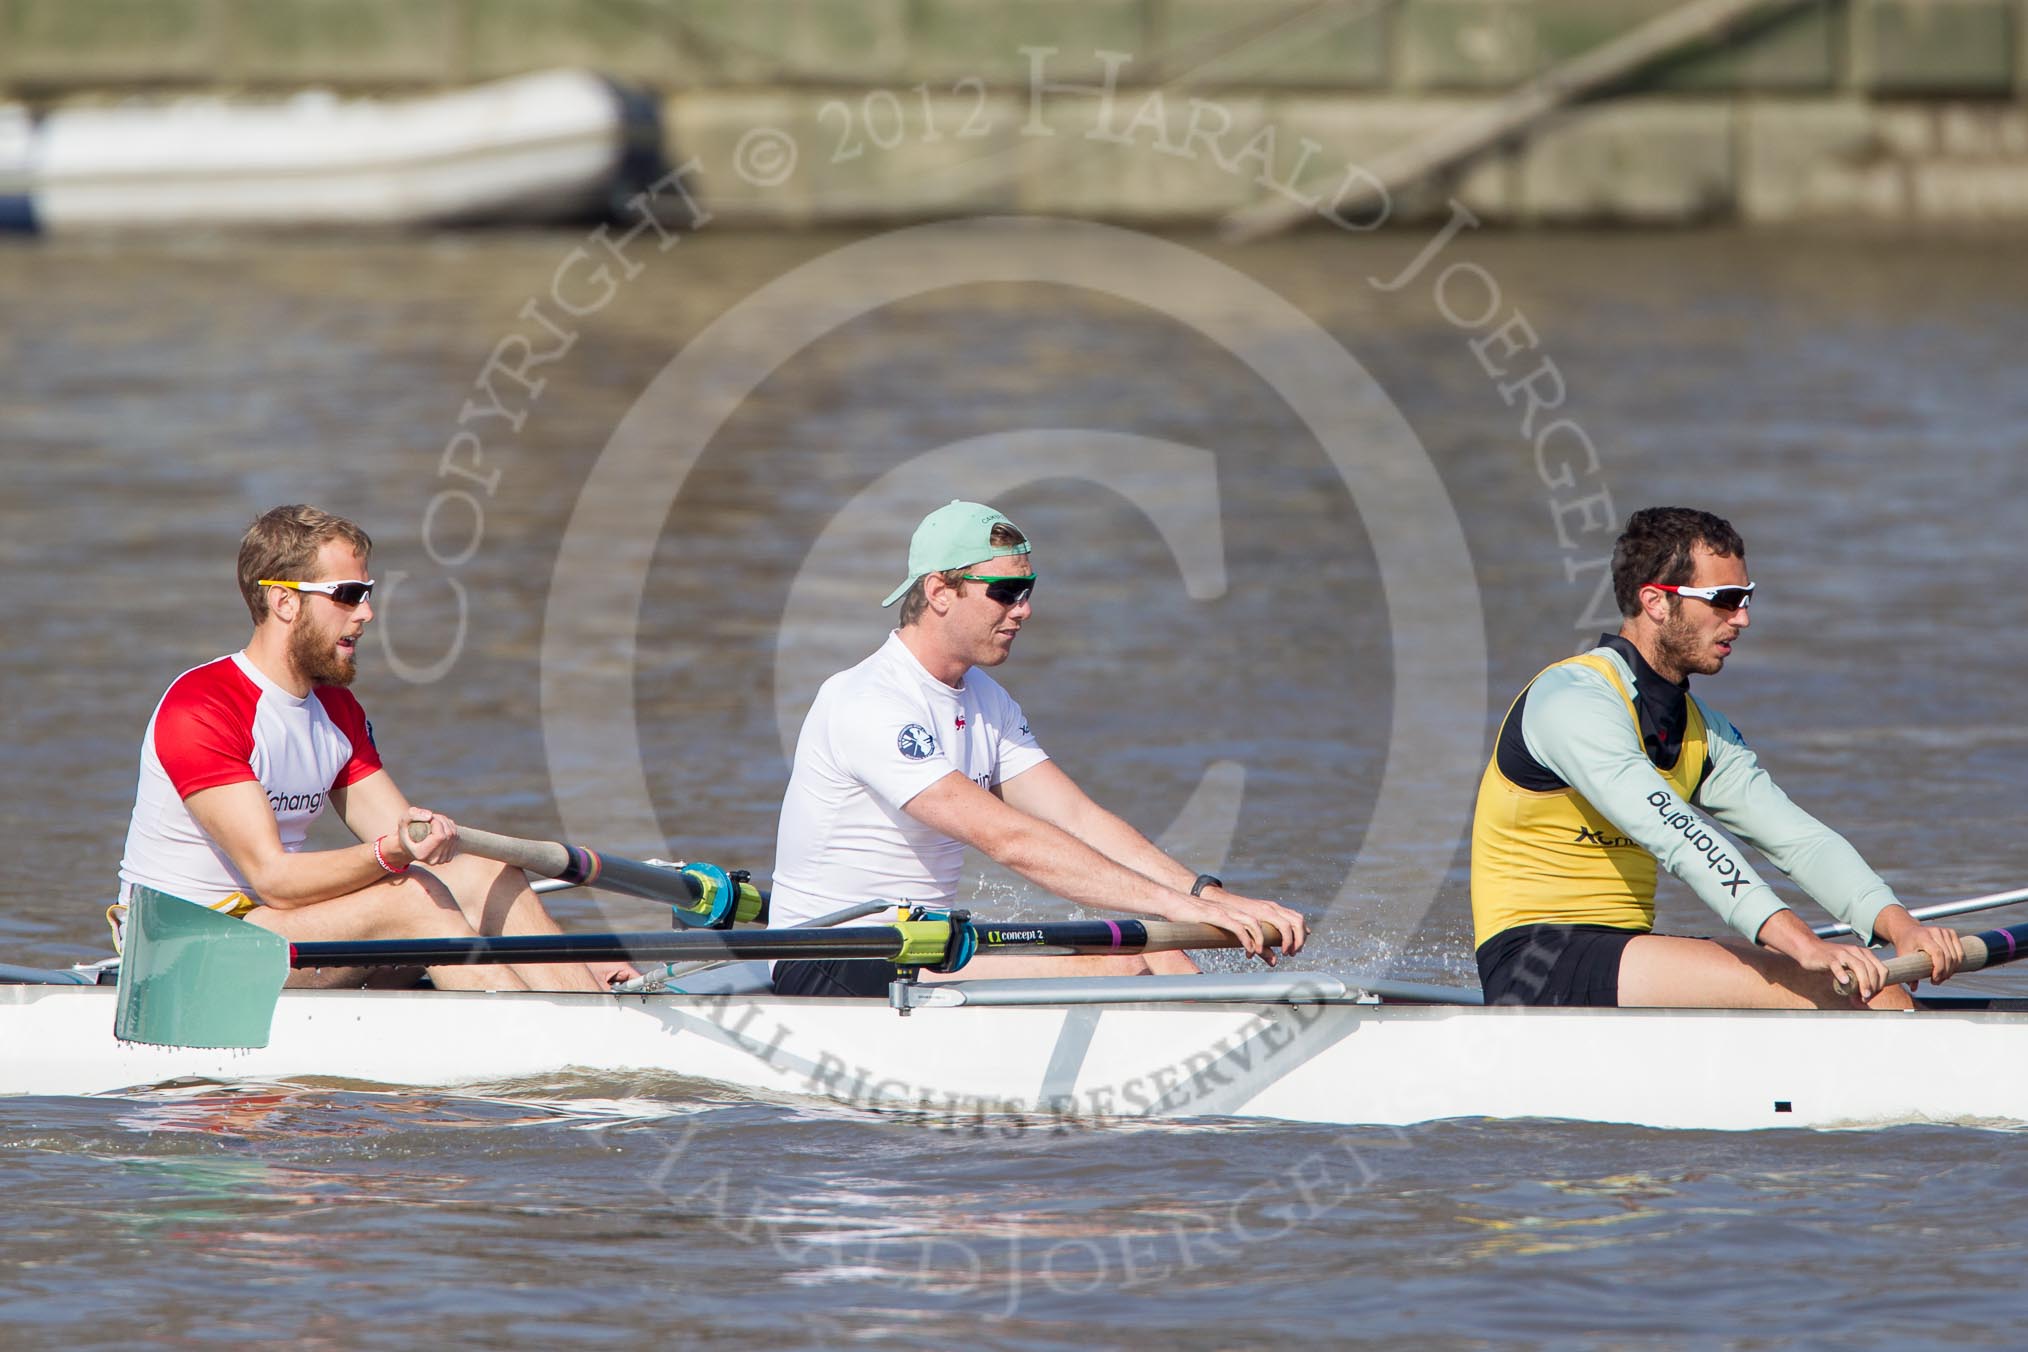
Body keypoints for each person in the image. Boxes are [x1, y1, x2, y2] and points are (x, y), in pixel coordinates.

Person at [768, 499, 1307, 997]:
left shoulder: (987, 700)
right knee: (1131, 961)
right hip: (828, 958)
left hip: (920, 948)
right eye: (1005, 592)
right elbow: (1009, 840)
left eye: (1027, 590)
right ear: (939, 592)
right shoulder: (867, 701)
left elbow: (1076, 817)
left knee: (1159, 952)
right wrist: (1173, 907)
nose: (1023, 610)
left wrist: (1204, 896)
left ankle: (1241, 1037)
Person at [115, 504, 635, 992]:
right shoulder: (203, 706)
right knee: (413, 898)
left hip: (273, 929)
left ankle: (583, 1003)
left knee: (481, 871)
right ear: (284, 601)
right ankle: (543, 1034)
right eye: (347, 594)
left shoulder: (336, 710)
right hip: (179, 949)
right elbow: (275, 880)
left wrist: (560, 960)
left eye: (367, 593)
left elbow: (408, 840)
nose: (366, 613)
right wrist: (391, 853)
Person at [1471, 506, 1963, 1009]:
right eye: (1724, 600)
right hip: (1535, 962)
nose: (1742, 618)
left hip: (1625, 952)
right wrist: (1803, 945)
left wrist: (1900, 926)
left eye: (1746, 598)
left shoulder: (1702, 731)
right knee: (1842, 990)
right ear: (1655, 601)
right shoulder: (1572, 700)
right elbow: (1677, 835)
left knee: (1878, 992)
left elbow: (1799, 840)